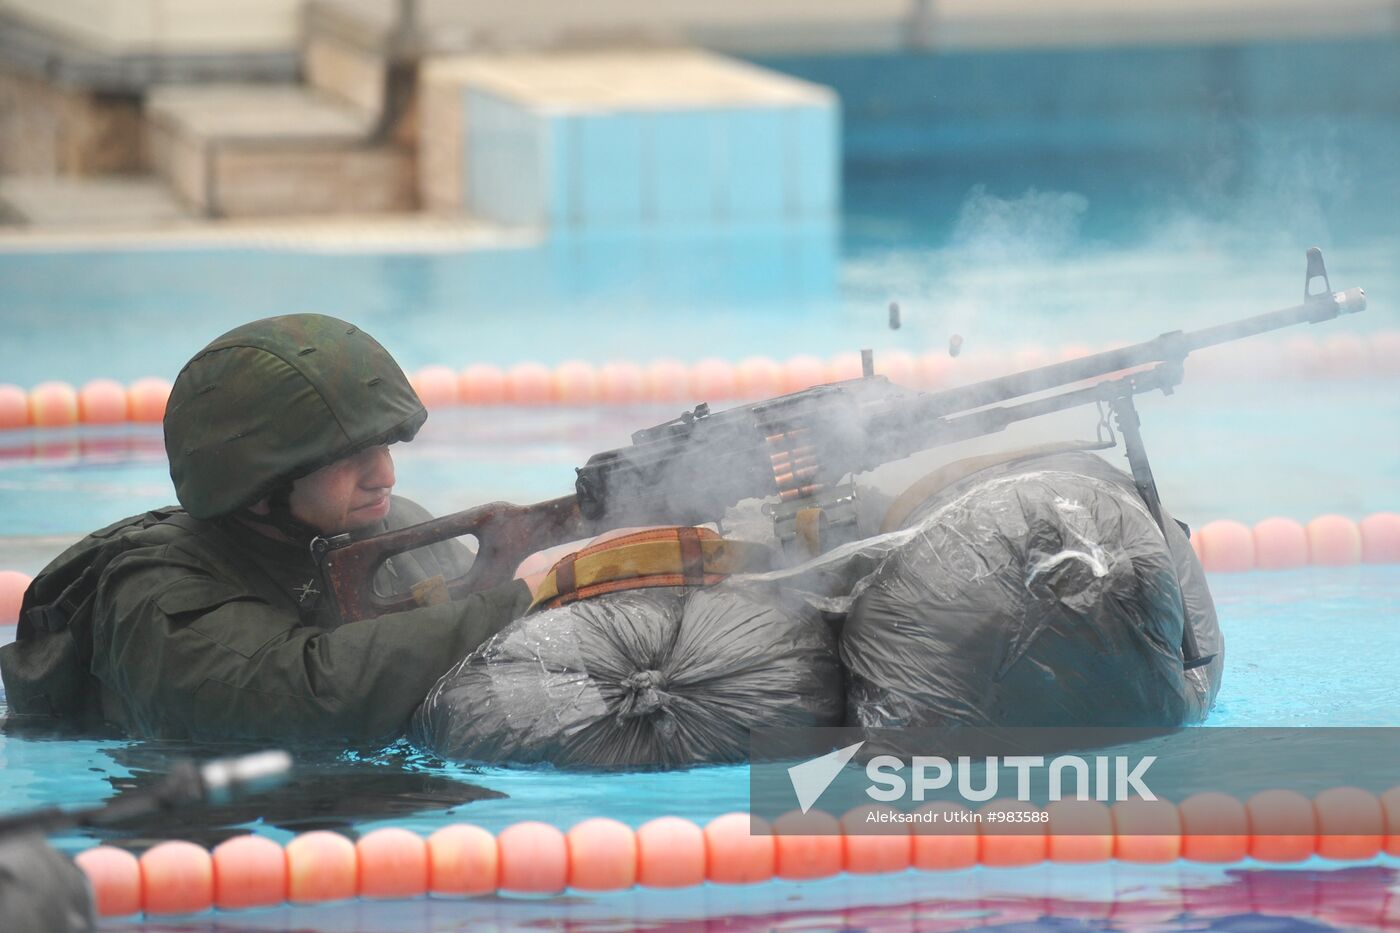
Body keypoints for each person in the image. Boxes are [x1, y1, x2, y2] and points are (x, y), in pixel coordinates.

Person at [3, 314, 531, 744]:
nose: (384, 476)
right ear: (259, 483)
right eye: (350, 457)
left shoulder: (396, 532)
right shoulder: (155, 593)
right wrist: (521, 597)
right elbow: (305, 699)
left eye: (387, 447)